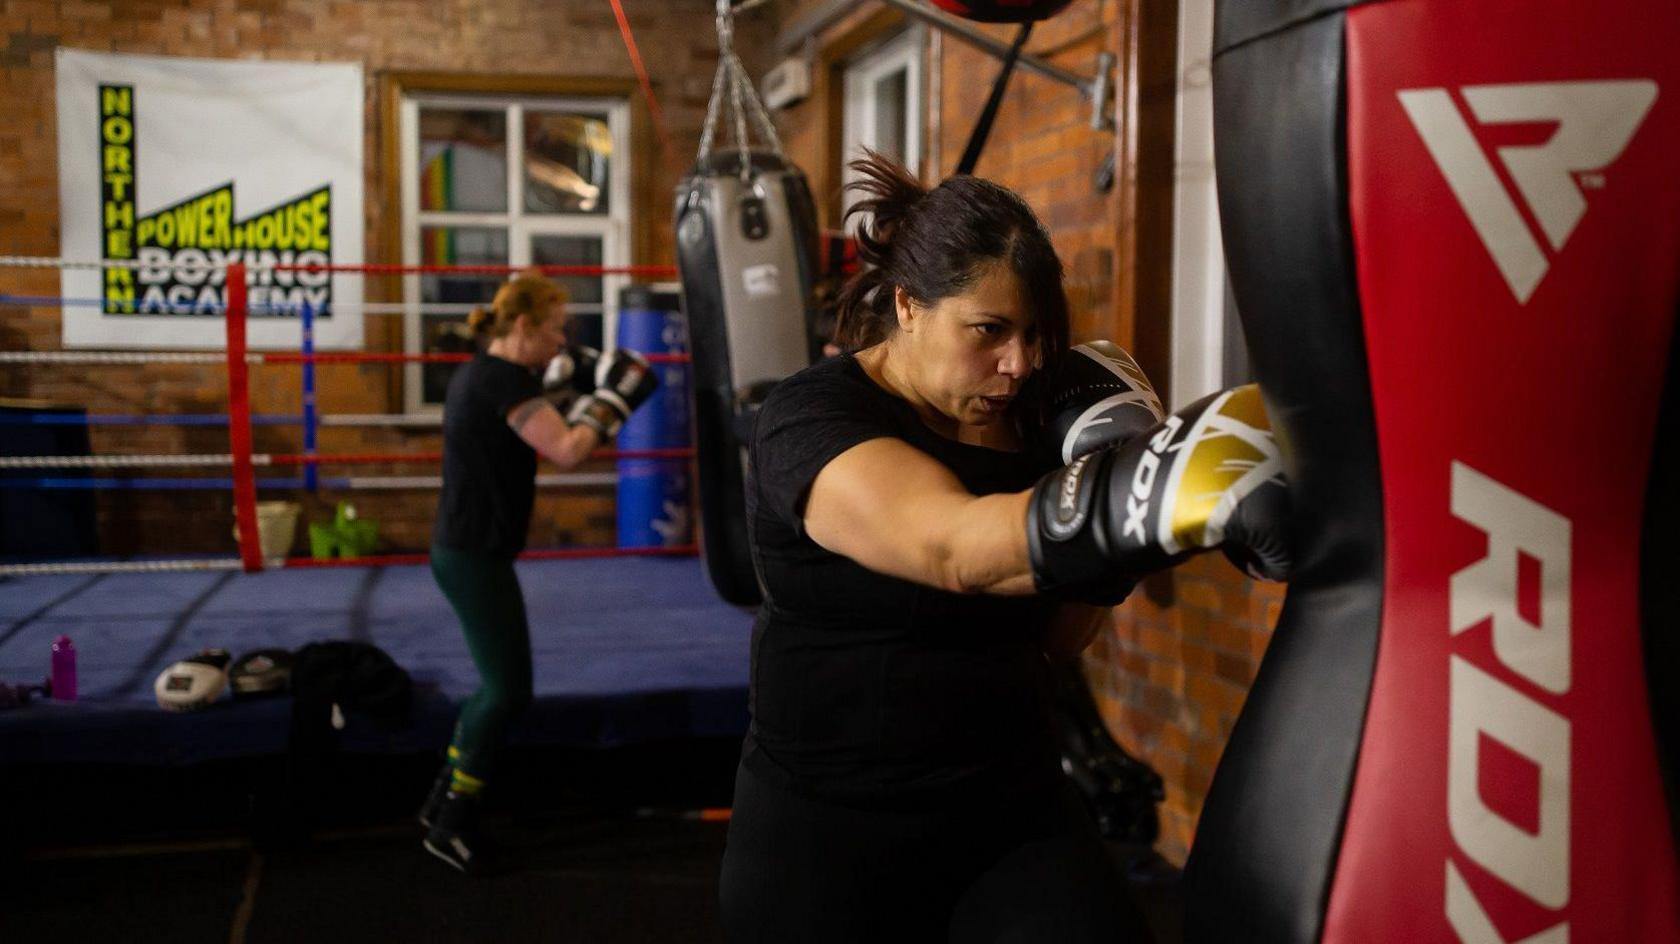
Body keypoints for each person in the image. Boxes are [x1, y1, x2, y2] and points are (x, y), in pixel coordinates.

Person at [717, 153, 1289, 941]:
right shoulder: (810, 418)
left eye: (1033, 336)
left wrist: (1116, 505)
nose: (1017, 365)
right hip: (828, 827)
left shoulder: (1032, 420)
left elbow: (1055, 644)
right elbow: (951, 546)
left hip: (1010, 809)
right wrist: (1143, 492)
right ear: (908, 305)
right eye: (988, 331)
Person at [418, 272, 657, 874]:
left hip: (468, 549)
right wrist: (616, 398)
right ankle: (451, 822)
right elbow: (569, 449)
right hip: (472, 554)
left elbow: (542, 416)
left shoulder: (492, 373)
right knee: (505, 691)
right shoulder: (501, 381)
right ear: (522, 326)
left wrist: (573, 385)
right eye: (553, 329)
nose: (561, 342)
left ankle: (440, 801)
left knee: (496, 687)